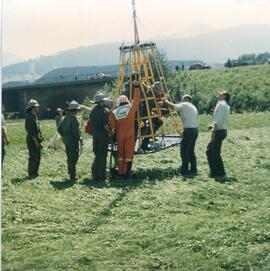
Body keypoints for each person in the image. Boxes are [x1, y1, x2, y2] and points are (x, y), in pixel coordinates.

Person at [163, 94, 199, 175]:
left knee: (184, 150)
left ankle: (184, 171)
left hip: (189, 130)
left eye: (182, 98)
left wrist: (165, 101)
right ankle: (194, 169)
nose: (181, 100)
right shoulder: (193, 107)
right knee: (191, 151)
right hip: (195, 130)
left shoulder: (185, 104)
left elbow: (174, 107)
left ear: (186, 99)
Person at [110, 84, 141, 177]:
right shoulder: (131, 108)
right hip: (130, 134)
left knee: (120, 154)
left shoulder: (114, 112)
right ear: (127, 101)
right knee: (128, 154)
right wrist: (137, 87)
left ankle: (120, 172)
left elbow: (112, 126)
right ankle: (126, 173)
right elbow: (136, 99)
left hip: (120, 135)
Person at [206, 91, 230, 178]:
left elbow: (218, 119)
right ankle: (215, 172)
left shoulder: (221, 104)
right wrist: (212, 125)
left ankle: (219, 173)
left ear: (224, 96)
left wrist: (214, 129)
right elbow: (220, 118)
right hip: (221, 130)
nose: (217, 95)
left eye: (219, 94)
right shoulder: (223, 104)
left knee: (213, 152)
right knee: (211, 151)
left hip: (219, 131)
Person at [58, 100, 83, 182]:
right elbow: (76, 132)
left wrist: (65, 137)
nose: (77, 112)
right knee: (73, 158)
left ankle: (71, 172)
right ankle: (73, 176)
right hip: (73, 142)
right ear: (75, 111)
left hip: (67, 142)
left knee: (69, 157)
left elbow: (59, 129)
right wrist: (80, 138)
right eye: (77, 110)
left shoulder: (64, 118)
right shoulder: (74, 119)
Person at [90, 91, 110, 182]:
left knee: (97, 155)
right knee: (102, 156)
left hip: (95, 137)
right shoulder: (105, 111)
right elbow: (105, 126)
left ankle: (94, 175)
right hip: (102, 137)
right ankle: (101, 176)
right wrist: (110, 132)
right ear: (102, 101)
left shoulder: (93, 111)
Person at [25, 99, 44, 179]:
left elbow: (37, 130)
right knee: (33, 157)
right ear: (33, 108)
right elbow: (31, 131)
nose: (38, 108)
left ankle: (35, 173)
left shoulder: (34, 116)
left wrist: (40, 140)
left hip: (36, 139)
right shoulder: (29, 117)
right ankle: (31, 174)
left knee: (38, 157)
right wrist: (36, 142)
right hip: (32, 140)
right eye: (36, 107)